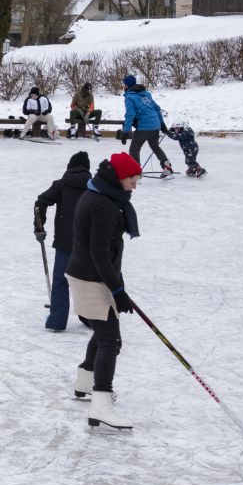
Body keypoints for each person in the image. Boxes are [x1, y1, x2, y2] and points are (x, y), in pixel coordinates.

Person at [66, 152, 142, 430]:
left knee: (102, 332)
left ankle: (86, 381)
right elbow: (98, 253)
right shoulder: (103, 205)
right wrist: (117, 290)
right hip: (91, 278)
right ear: (119, 177)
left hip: (89, 274)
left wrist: (118, 285)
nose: (135, 184)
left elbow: (105, 251)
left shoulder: (102, 195)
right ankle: (101, 404)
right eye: (133, 178)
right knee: (111, 340)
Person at [34, 151, 92, 331]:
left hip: (65, 242)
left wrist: (39, 226)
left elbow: (40, 202)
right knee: (87, 280)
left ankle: (57, 321)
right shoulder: (94, 186)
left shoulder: (61, 185)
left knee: (60, 280)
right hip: (89, 243)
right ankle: (91, 318)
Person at [119, 75, 173, 177]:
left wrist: (126, 131)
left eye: (124, 84)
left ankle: (135, 172)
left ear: (127, 85)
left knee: (134, 148)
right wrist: (161, 124)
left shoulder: (129, 97)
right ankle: (167, 166)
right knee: (155, 146)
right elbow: (157, 108)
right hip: (155, 124)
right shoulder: (146, 94)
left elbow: (130, 115)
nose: (123, 86)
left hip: (144, 126)